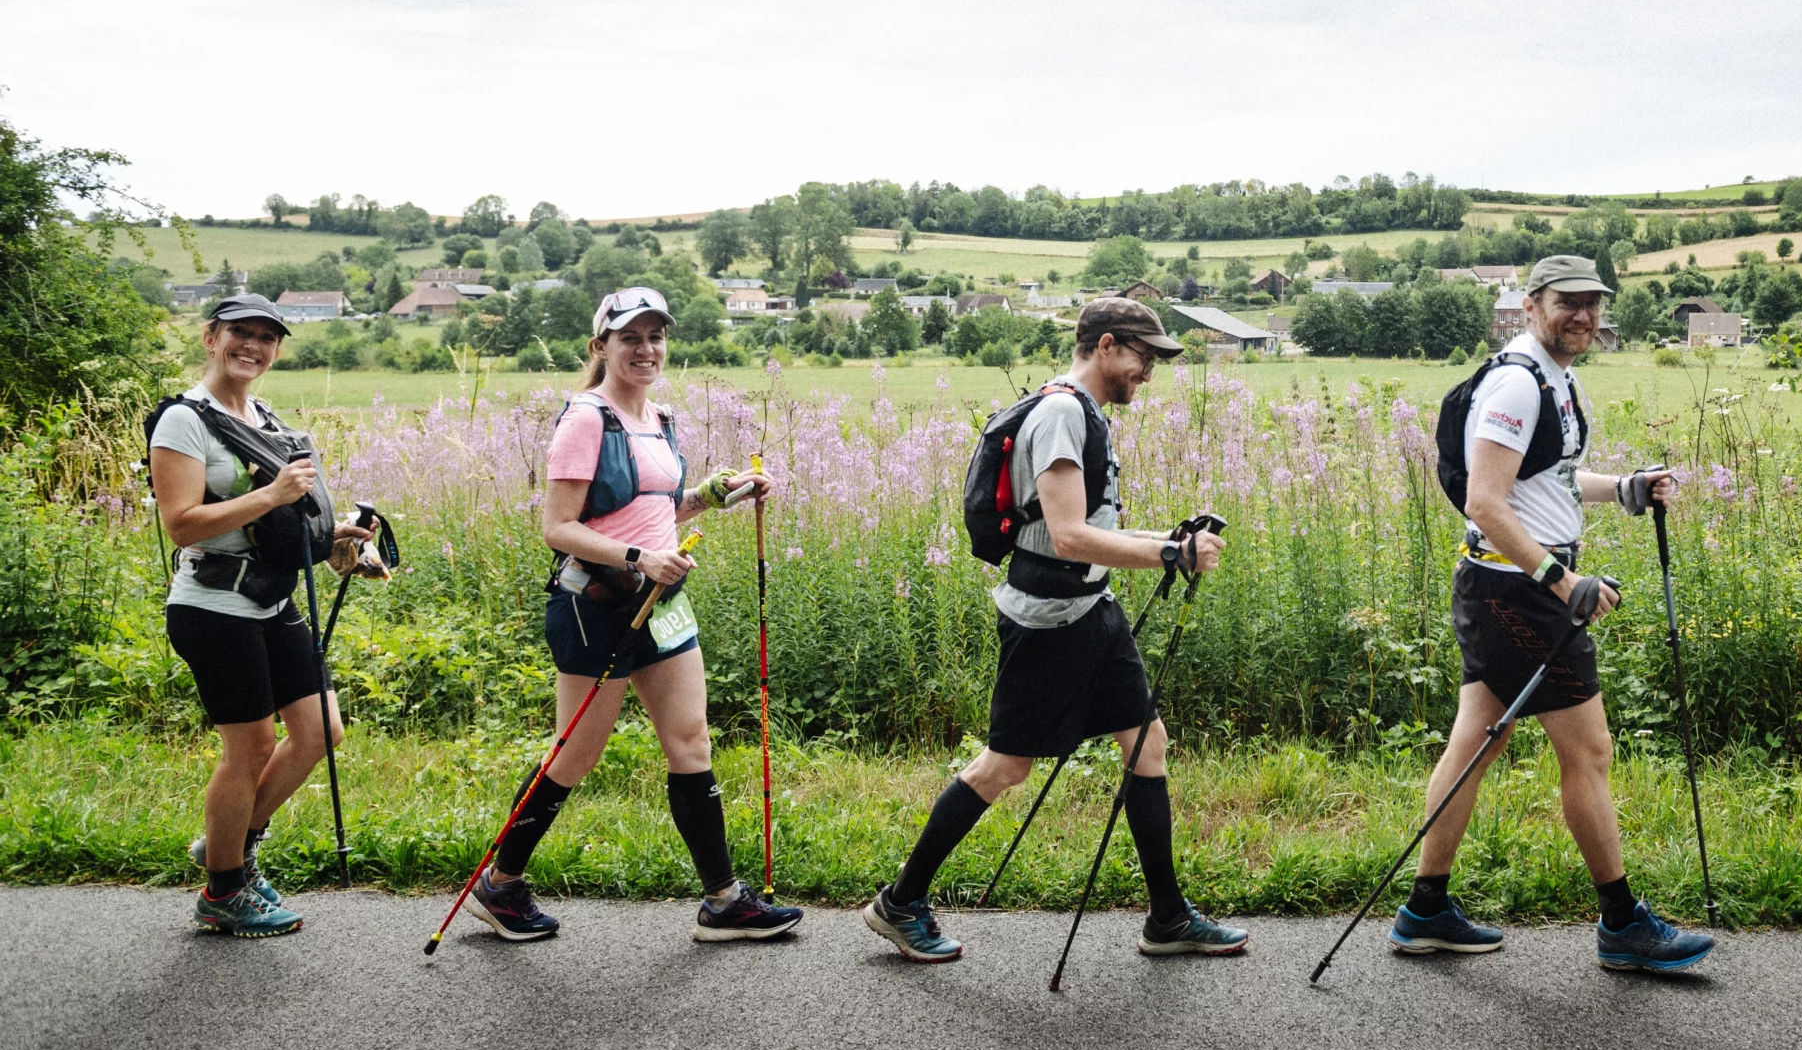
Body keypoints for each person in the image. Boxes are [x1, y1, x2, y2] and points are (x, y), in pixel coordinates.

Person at [862, 298, 1250, 963]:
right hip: (1048, 621)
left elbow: (1079, 530)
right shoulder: (1063, 413)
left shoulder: (1082, 410)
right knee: (1006, 765)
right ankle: (900, 901)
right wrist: (1167, 554)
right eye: (1142, 356)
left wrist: (1166, 538)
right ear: (1105, 346)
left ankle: (1167, 917)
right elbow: (1069, 537)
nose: (1148, 372)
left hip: (1093, 611)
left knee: (1146, 744)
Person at [1393, 254, 1713, 973]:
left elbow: (1550, 480)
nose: (1585, 316)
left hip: (1504, 586)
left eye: (1594, 304)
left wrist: (1624, 487)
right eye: (1569, 302)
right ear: (1533, 303)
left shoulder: (1554, 377)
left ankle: (1425, 908)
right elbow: (1485, 500)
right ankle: (1623, 922)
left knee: (1476, 740)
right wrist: (1559, 577)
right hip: (1519, 592)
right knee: (1590, 751)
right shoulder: (1515, 382)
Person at [461, 286, 802, 945]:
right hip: (595, 606)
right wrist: (640, 556)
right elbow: (557, 527)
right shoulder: (586, 419)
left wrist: (714, 493)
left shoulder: (661, 419)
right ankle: (499, 886)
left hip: (662, 605)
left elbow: (653, 512)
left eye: (656, 336)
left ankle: (723, 901)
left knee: (691, 741)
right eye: (631, 337)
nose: (647, 349)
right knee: (575, 756)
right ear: (601, 346)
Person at [148, 294, 377, 937]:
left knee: (319, 734)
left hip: (274, 598)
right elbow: (180, 523)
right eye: (239, 333)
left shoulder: (265, 416)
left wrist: (337, 543)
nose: (252, 346)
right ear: (210, 337)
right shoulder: (183, 421)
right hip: (214, 606)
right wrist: (270, 492)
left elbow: (284, 522)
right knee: (250, 748)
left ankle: (230, 841)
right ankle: (222, 891)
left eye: (265, 338)